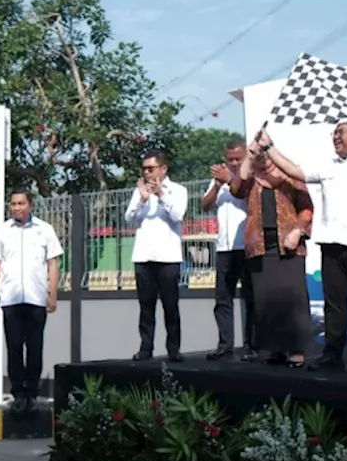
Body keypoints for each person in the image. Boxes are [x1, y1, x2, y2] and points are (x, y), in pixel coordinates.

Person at [257, 122, 347, 374]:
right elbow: (295, 171)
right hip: (332, 244)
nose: (336, 137)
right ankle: (332, 354)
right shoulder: (328, 163)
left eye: (342, 133)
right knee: (335, 305)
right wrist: (269, 146)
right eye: (335, 133)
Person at [229, 143, 314, 368]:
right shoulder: (251, 181)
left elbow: (306, 208)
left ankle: (296, 350)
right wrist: (248, 155)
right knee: (266, 300)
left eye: (263, 155)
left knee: (292, 298)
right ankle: (274, 349)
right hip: (259, 246)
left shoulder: (290, 177)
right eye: (257, 156)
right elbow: (235, 189)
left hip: (288, 245)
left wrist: (298, 231)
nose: (261, 159)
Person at [0, 188, 63, 411]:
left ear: (31, 205)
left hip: (36, 298)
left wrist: (53, 293)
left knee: (35, 347)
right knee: (14, 347)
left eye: (21, 203)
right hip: (10, 299)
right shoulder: (2, 231)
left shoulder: (44, 230)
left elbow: (53, 263)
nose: (16, 208)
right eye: (13, 204)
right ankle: (18, 393)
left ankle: (32, 393)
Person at [125, 151, 188, 362]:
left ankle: (173, 349)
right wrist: (142, 201)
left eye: (150, 168)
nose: (146, 172)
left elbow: (178, 215)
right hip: (143, 257)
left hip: (168, 257)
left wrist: (162, 195)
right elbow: (128, 219)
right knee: (146, 307)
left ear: (163, 169)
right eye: (144, 168)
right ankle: (145, 347)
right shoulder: (139, 192)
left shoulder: (178, 190)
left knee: (171, 306)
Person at [201, 138, 257, 362]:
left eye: (238, 159)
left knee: (250, 297)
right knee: (223, 298)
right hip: (224, 247)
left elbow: (248, 197)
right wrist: (217, 184)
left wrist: (231, 178)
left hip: (247, 245)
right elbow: (205, 205)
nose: (234, 163)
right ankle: (225, 344)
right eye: (230, 159)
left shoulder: (251, 175)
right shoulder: (220, 179)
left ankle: (252, 345)